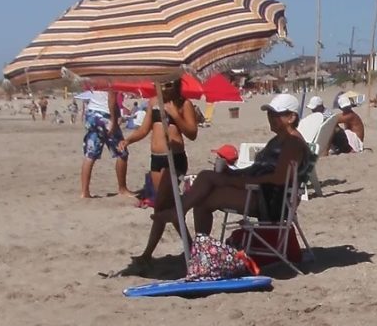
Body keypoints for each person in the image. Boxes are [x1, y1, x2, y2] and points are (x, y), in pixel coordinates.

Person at [153, 94, 312, 239]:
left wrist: (235, 180)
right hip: (260, 193)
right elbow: (260, 170)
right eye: (269, 113)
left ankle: (184, 222)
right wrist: (233, 173)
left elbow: (277, 179)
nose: (271, 117)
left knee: (206, 187)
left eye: (276, 114)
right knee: (205, 187)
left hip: (269, 201)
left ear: (291, 117)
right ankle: (197, 241)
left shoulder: (293, 143)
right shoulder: (279, 140)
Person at [120, 78, 199, 262]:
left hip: (174, 159)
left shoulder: (183, 103)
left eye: (169, 84)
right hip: (156, 159)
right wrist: (128, 140)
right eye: (161, 83)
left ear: (177, 84)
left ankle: (148, 253)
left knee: (162, 206)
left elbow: (192, 133)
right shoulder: (154, 102)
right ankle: (191, 248)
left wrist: (176, 115)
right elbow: (144, 129)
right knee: (168, 207)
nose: (165, 87)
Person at [79, 90, 135, 199]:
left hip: (91, 113)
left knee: (90, 154)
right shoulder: (110, 77)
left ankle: (84, 192)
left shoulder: (97, 77)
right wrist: (114, 120)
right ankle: (122, 189)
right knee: (122, 152)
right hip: (104, 114)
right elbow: (111, 98)